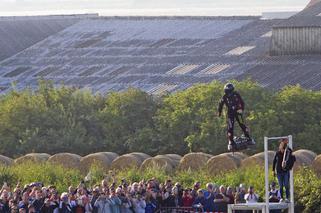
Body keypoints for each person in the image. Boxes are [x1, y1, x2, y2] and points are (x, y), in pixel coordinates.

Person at [218, 83, 253, 151]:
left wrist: (241, 109)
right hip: (232, 113)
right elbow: (220, 104)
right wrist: (219, 112)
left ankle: (248, 137)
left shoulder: (235, 94)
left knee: (240, 125)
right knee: (231, 127)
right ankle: (231, 141)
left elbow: (242, 102)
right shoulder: (225, 96)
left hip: (237, 112)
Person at [272, 139, 294, 203]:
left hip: (285, 171)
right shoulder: (278, 153)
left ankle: (287, 198)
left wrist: (286, 145)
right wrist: (273, 170)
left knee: (286, 185)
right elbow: (274, 161)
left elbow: (291, 154)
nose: (281, 147)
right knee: (281, 185)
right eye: (280, 146)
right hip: (279, 172)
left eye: (282, 145)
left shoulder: (287, 152)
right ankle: (281, 198)